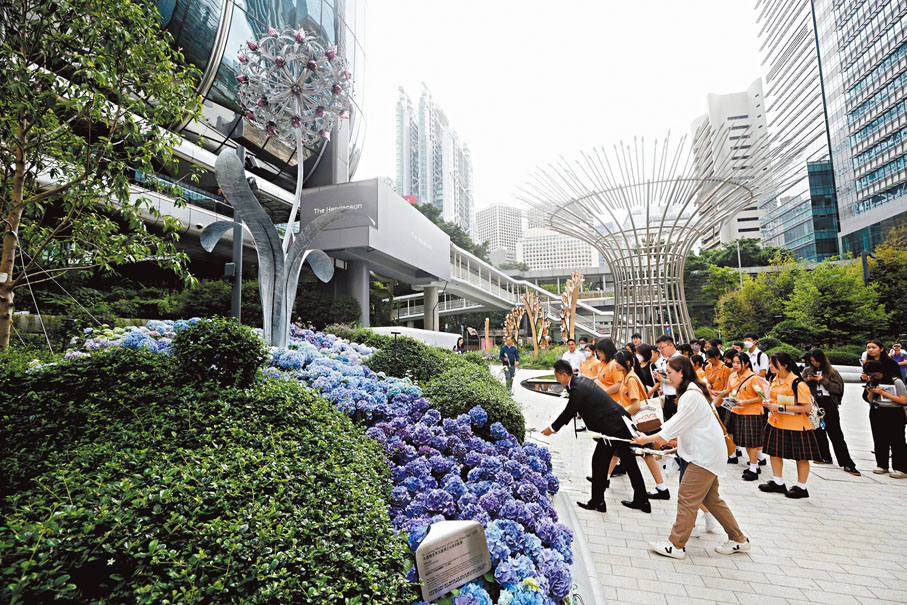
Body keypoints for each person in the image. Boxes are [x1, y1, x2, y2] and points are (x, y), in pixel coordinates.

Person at [633, 356, 751, 560]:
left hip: (703, 456)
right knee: (712, 500)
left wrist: (648, 439)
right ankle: (739, 539)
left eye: (669, 373)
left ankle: (676, 545)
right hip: (707, 453)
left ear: (682, 372)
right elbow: (691, 426)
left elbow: (673, 426)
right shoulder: (694, 390)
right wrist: (677, 447)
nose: (667, 377)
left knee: (687, 498)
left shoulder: (690, 395)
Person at [542, 360, 651, 513]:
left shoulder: (577, 388)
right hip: (618, 424)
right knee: (628, 463)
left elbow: (569, 411)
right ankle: (641, 501)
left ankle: (598, 501)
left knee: (599, 462)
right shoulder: (580, 381)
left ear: (565, 375)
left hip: (612, 429)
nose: (557, 380)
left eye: (557, 377)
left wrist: (552, 428)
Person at [758, 352, 821, 499]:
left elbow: (806, 408)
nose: (770, 366)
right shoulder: (774, 379)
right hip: (776, 423)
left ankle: (801, 487)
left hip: (796, 426)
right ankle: (778, 482)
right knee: (774, 453)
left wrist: (780, 408)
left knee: (801, 457)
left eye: (774, 363)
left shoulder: (798, 383)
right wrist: (768, 404)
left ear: (785, 365)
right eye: (770, 363)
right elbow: (775, 399)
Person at [610, 350, 670, 500]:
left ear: (628, 363)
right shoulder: (627, 377)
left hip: (637, 422)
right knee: (617, 449)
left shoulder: (631, 379)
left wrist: (621, 413)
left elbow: (636, 404)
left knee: (646, 454)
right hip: (630, 421)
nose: (615, 364)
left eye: (617, 361)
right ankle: (604, 478)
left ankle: (662, 488)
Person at [802, 350, 859, 475]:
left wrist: (823, 380)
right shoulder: (807, 371)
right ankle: (824, 456)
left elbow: (838, 389)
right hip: (814, 403)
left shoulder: (832, 372)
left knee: (835, 433)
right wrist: (808, 380)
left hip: (829, 403)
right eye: (812, 361)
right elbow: (801, 387)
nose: (814, 363)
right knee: (818, 430)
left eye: (816, 360)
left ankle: (846, 462)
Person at [723, 354, 767, 480]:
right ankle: (754, 465)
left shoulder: (754, 378)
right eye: (734, 362)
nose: (735, 365)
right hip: (736, 411)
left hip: (751, 413)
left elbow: (761, 397)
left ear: (746, 363)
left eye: (738, 362)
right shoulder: (732, 375)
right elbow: (730, 390)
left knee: (751, 442)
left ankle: (754, 468)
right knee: (743, 441)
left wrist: (745, 402)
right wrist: (720, 394)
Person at [862, 359, 907, 478]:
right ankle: (882, 464)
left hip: (894, 412)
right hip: (877, 411)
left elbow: (903, 400)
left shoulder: (896, 381)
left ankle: (901, 468)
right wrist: (871, 391)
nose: (874, 376)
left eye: (876, 374)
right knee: (880, 439)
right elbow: (870, 399)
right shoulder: (874, 380)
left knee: (897, 441)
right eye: (871, 374)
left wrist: (883, 393)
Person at [654, 335, 683, 420]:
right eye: (659, 348)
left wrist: (663, 380)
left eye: (662, 347)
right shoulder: (664, 361)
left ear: (671, 345)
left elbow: (681, 380)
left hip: (677, 397)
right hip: (667, 397)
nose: (660, 351)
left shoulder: (680, 359)